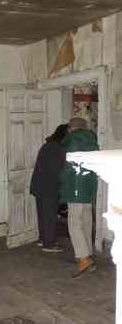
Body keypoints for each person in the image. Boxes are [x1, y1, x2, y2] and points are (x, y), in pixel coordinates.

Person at [59, 117, 99, 278]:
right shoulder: (92, 140)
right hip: (89, 185)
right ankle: (88, 253)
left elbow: (68, 167)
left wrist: (62, 182)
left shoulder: (71, 140)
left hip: (75, 185)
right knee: (86, 220)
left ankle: (84, 259)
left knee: (74, 223)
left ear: (70, 128)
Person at [30, 124, 67, 253]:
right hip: (49, 187)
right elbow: (58, 171)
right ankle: (49, 244)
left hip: (39, 185)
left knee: (43, 215)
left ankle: (43, 239)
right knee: (50, 216)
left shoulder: (47, 145)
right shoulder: (58, 148)